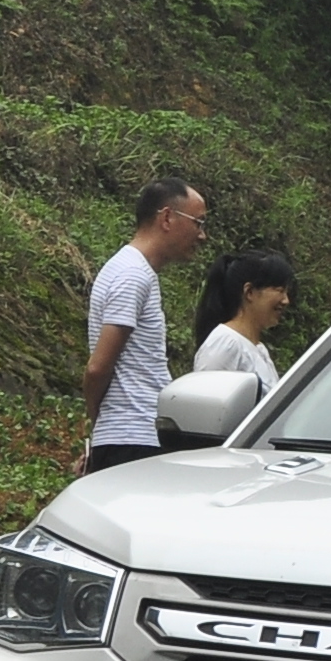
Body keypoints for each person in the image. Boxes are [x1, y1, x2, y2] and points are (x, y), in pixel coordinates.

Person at [82, 176, 209, 472]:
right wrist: (100, 424)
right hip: (133, 440)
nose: (202, 236)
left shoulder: (132, 271)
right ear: (167, 217)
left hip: (132, 438)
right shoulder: (132, 275)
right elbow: (98, 368)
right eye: (198, 223)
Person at [193, 245, 295, 385]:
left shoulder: (259, 349)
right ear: (250, 292)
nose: (285, 300)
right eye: (279, 290)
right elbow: (204, 398)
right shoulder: (225, 345)